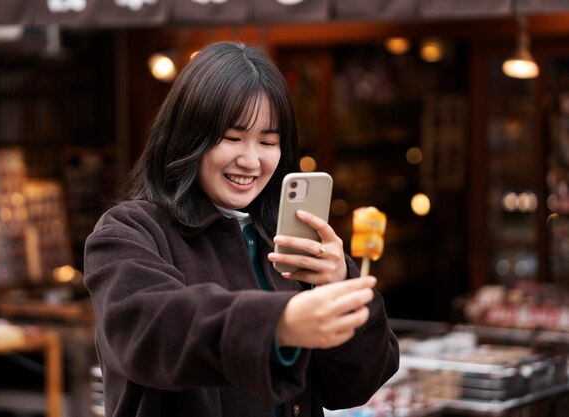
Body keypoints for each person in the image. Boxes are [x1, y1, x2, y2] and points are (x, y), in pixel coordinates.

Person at [84, 41, 399, 417]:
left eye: (268, 141)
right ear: (188, 135)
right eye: (232, 138)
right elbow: (153, 328)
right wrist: (280, 323)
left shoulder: (287, 240)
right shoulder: (128, 232)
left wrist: (341, 284)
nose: (250, 161)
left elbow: (356, 385)